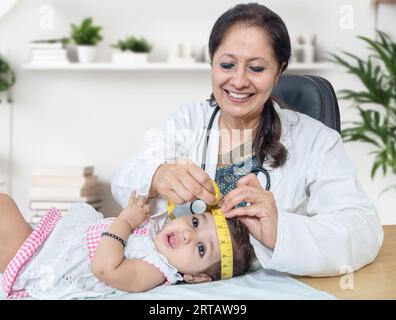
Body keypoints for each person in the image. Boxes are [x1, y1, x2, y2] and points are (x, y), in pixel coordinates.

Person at [111, 3, 384, 277]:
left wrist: (282, 231)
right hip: (177, 285)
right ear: (212, 63)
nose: (239, 81)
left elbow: (363, 231)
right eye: (227, 65)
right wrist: (158, 175)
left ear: (279, 71)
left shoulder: (316, 141)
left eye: (256, 68)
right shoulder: (189, 120)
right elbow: (123, 178)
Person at [0, 192, 255, 299]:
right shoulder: (156, 233)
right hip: (46, 241)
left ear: (196, 278)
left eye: (201, 249)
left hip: (42, 263)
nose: (189, 234)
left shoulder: (155, 270)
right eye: (196, 223)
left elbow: (105, 269)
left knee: (4, 207)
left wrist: (125, 220)